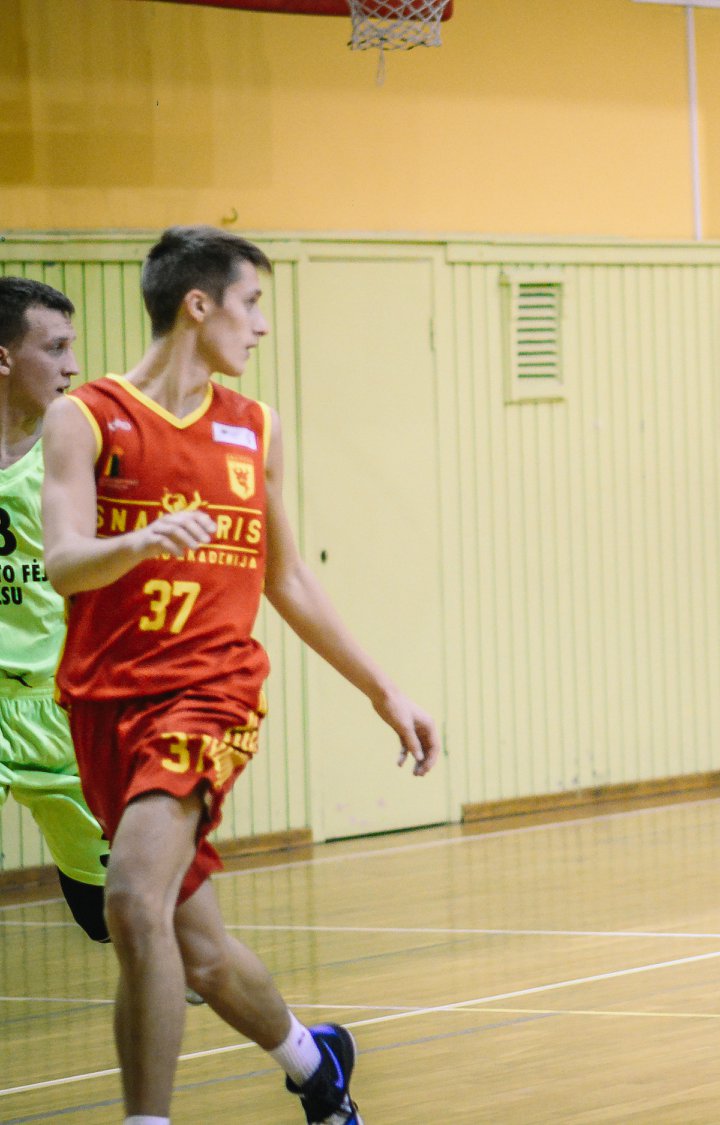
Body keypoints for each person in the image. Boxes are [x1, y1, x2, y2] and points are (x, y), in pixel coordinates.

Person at [40, 227, 441, 1125]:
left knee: (130, 901)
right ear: (199, 304)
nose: (260, 325)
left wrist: (385, 691)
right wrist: (139, 542)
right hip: (104, 702)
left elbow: (286, 578)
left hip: (209, 694)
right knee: (200, 950)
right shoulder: (88, 416)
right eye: (251, 303)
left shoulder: (255, 428)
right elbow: (64, 562)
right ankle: (315, 1065)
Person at [0, 277, 110, 944]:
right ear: (4, 357)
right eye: (56, 347)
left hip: (60, 706)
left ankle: (178, 974)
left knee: (110, 918)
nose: (73, 365)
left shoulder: (73, 460)